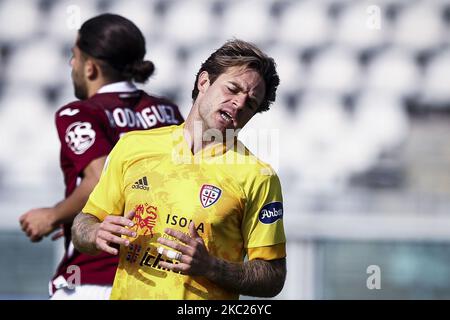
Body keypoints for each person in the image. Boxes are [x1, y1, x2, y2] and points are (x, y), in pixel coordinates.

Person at [72, 39, 286, 300]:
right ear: (204, 82)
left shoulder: (257, 176)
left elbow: (273, 276)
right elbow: (84, 222)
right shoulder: (133, 146)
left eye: (250, 103)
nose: (239, 104)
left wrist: (212, 266)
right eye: (232, 89)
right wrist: (95, 233)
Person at [19, 13, 184, 299]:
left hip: (93, 277)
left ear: (91, 67)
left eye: (75, 56)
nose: (72, 64)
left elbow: (99, 178)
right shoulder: (168, 112)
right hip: (153, 279)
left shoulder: (80, 113)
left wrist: (53, 215)